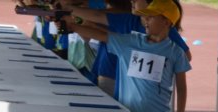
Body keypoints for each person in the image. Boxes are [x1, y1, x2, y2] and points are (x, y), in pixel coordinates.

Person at [67, 0, 191, 112]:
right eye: (146, 17)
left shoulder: (176, 52)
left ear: (166, 22)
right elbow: (100, 35)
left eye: (151, 17)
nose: (145, 21)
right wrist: (71, 26)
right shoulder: (130, 41)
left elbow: (181, 88)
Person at [59, 0, 191, 98]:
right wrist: (69, 14)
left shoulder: (165, 30)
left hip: (140, 88)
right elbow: (98, 20)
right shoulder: (128, 19)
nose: (132, 1)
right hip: (111, 76)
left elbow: (185, 56)